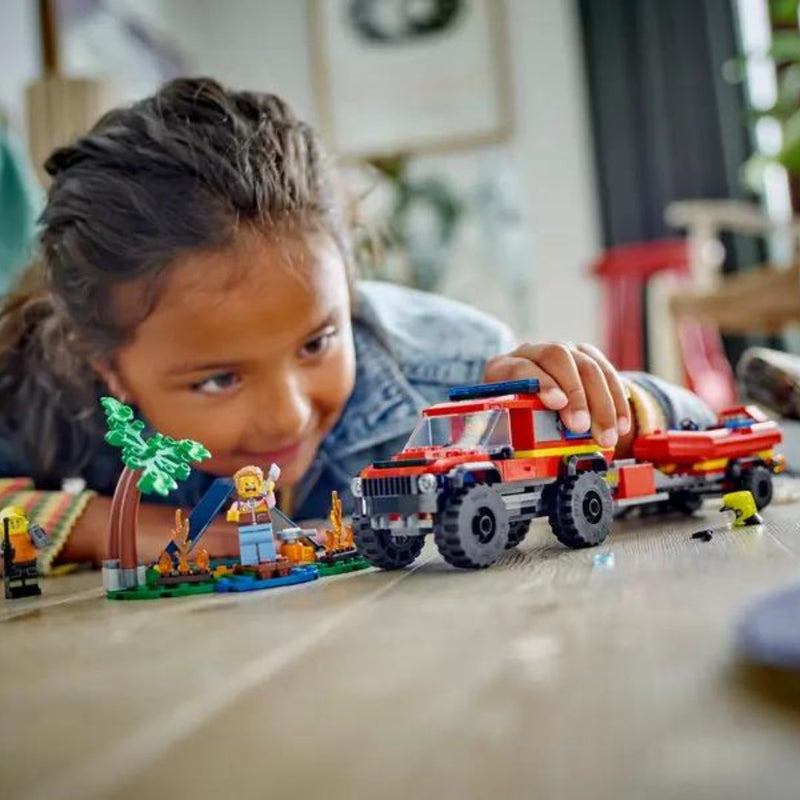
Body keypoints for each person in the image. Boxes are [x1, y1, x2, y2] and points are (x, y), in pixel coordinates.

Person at [0, 77, 713, 572]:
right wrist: (118, 530)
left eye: (318, 341)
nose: (286, 414)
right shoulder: (57, 386)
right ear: (110, 371)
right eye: (217, 379)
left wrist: (614, 403)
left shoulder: (452, 375)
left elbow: (701, 428)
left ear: (345, 282)